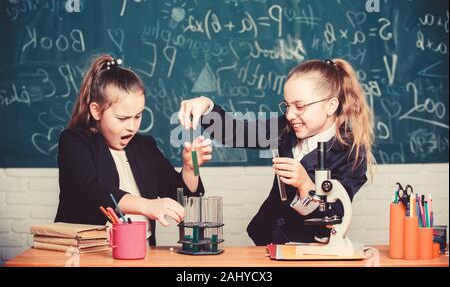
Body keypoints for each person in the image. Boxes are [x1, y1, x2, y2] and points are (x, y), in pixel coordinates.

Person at [178, 59, 375, 245]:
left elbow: (336, 215)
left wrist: (305, 184)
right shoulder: (286, 128)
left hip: (313, 249)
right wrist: (205, 106)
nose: (290, 115)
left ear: (331, 106)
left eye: (300, 106)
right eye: (287, 106)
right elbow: (236, 133)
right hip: (268, 240)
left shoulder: (352, 153)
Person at [55, 54, 212, 245]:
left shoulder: (145, 146)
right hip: (90, 254)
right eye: (122, 118)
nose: (132, 126)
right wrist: (147, 206)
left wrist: (191, 165)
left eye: (138, 116)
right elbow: (91, 189)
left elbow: (183, 199)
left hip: (140, 254)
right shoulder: (74, 142)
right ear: (96, 111)